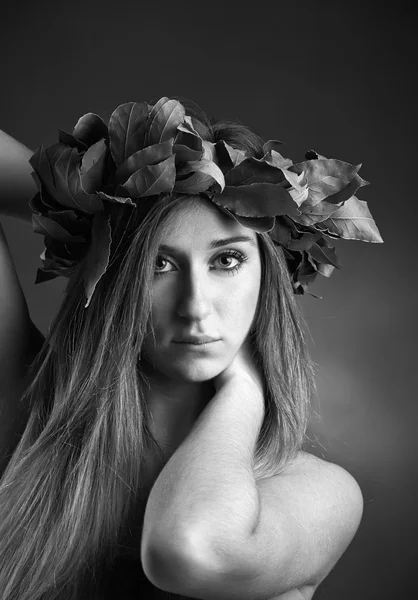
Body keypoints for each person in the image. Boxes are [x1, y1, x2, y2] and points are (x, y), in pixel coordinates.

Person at [0, 97, 382, 600]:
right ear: (112, 277)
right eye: (158, 265)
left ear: (268, 277)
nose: (195, 307)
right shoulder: (27, 414)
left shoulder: (318, 493)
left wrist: (243, 394)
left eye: (226, 260)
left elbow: (191, 551)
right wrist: (90, 210)